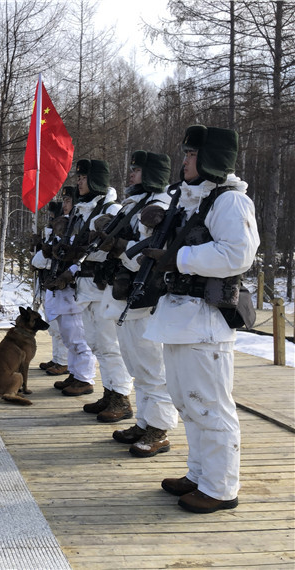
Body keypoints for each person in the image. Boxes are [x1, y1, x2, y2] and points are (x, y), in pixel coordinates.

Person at [142, 125, 259, 513]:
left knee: (210, 406)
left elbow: (237, 254)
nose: (185, 161)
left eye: (192, 155)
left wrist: (180, 258)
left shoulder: (230, 201)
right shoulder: (197, 200)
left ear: (209, 159)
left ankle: (221, 487)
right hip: (181, 319)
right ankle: (200, 474)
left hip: (205, 323)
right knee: (188, 404)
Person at [96, 151, 179, 457]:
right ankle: (145, 423)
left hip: (147, 297)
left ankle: (159, 430)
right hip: (129, 296)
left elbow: (151, 255)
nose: (131, 175)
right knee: (137, 367)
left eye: (138, 170)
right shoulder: (137, 204)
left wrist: (119, 248)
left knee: (152, 368)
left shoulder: (159, 206)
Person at [51, 160, 133, 422]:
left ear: (97, 180)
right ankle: (109, 392)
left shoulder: (112, 209)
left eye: (84, 178)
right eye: (79, 177)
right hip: (85, 288)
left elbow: (108, 249)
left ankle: (121, 396)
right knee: (97, 344)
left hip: (102, 287)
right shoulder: (83, 211)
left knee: (110, 345)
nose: (79, 182)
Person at [33, 187, 97, 395]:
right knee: (69, 338)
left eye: (69, 200)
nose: (65, 204)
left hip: (72, 291)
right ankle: (75, 373)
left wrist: (67, 272)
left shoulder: (81, 225)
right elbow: (42, 261)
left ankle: (85, 378)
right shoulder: (66, 227)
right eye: (65, 200)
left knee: (78, 338)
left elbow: (82, 256)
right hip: (59, 291)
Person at [34, 189, 74, 377]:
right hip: (48, 283)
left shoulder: (66, 232)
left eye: (53, 216)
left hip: (60, 284)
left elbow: (44, 260)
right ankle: (58, 358)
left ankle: (64, 361)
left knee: (61, 328)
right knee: (54, 327)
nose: (51, 220)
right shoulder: (52, 234)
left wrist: (43, 253)